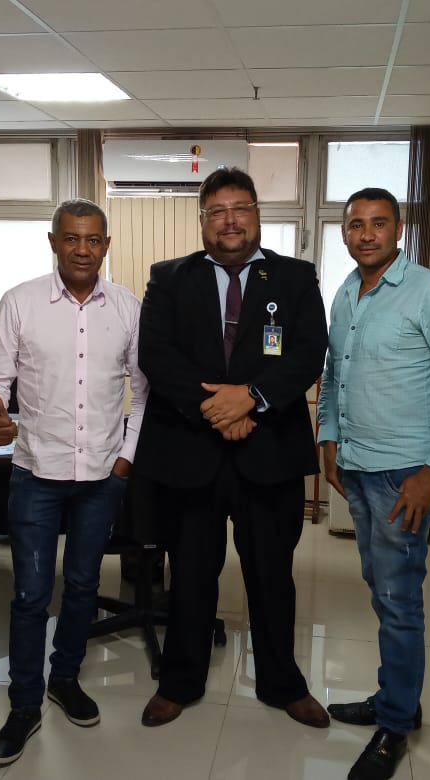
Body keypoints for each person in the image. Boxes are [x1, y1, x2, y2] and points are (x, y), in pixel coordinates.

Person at [134, 167, 330, 729]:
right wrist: (217, 409)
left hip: (269, 456)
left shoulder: (295, 278)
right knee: (191, 573)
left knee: (271, 574)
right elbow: (156, 355)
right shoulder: (169, 278)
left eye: (240, 208)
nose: (230, 220)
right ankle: (180, 680)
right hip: (190, 453)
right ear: (203, 221)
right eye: (217, 211)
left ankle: (282, 683)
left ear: (257, 214)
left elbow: (308, 352)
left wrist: (252, 399)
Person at [317, 188, 430, 780]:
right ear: (345, 232)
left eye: (379, 223)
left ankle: (394, 724)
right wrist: (329, 439)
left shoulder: (429, 293)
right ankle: (397, 697)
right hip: (358, 467)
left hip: (404, 476)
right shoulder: (347, 293)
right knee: (381, 588)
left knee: (398, 599)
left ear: (399, 230)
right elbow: (335, 375)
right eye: (356, 224)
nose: (366, 234)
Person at [0, 198, 148, 767]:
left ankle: (65, 679)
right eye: (71, 238)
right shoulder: (19, 302)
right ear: (53, 242)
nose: (82, 249)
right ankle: (23, 704)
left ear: (106, 245)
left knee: (81, 586)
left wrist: (125, 459)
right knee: (29, 594)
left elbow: (144, 392)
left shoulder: (127, 307)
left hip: (102, 476)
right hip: (35, 473)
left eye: (93, 239)